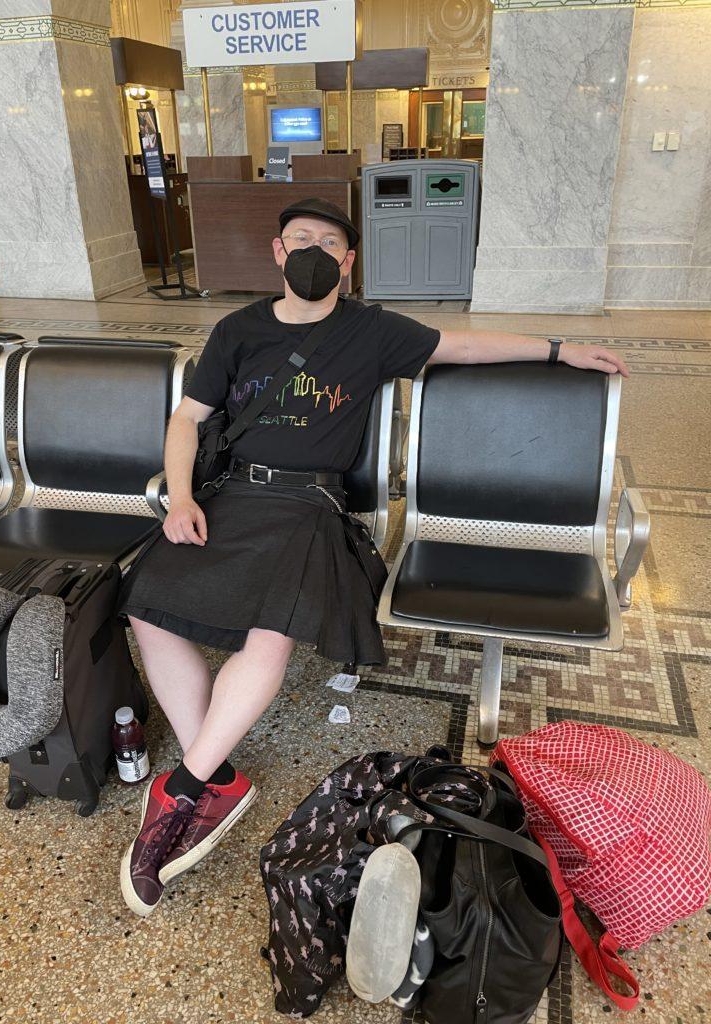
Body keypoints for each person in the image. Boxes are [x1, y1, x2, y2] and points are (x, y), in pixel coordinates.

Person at [116, 197, 629, 917]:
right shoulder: (239, 329)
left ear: (349, 261)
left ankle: (186, 792)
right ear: (278, 251)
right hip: (231, 496)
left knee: (271, 633)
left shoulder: (371, 331)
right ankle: (217, 767)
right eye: (302, 239)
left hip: (309, 507)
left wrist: (556, 350)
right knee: (148, 606)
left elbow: (464, 346)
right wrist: (179, 497)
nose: (315, 250)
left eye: (331, 242)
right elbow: (188, 419)